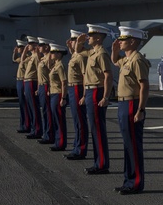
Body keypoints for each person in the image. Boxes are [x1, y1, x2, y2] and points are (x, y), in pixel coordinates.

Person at [112, 27, 150, 194]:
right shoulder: (127, 59)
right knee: (127, 144)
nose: (120, 41)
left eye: (123, 39)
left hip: (132, 104)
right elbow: (115, 61)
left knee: (133, 145)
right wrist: (114, 50)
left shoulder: (137, 60)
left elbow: (144, 86)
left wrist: (141, 109)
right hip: (122, 104)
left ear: (133, 41)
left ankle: (135, 182)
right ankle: (128, 179)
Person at [81, 24, 114, 174]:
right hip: (89, 91)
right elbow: (77, 52)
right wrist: (79, 42)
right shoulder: (93, 53)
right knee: (94, 128)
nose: (88, 37)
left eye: (91, 35)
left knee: (98, 129)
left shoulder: (101, 54)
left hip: (96, 91)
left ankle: (101, 164)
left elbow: (108, 76)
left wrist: (106, 96)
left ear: (99, 38)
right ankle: (98, 161)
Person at [65, 30, 90, 161]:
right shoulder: (76, 54)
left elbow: (85, 76)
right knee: (76, 120)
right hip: (72, 87)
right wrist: (71, 47)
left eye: (74, 40)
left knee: (80, 120)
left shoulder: (80, 56)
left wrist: (84, 95)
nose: (71, 42)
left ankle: (80, 149)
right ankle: (76, 146)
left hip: (77, 87)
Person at [47, 44, 69, 152]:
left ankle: (61, 143)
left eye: (53, 52)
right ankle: (57, 141)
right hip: (53, 93)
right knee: (55, 119)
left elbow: (64, 82)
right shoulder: (55, 65)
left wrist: (63, 98)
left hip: (58, 94)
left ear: (59, 54)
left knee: (59, 120)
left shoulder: (60, 66)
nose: (51, 54)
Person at [22, 37, 41, 138]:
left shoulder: (36, 57)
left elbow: (39, 72)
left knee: (34, 107)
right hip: (27, 82)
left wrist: (38, 87)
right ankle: (34, 129)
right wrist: (25, 51)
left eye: (29, 44)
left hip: (32, 82)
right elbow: (22, 62)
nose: (27, 46)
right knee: (30, 107)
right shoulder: (31, 57)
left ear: (34, 45)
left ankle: (37, 130)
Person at [36, 38, 53, 143]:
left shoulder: (49, 59)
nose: (39, 47)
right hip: (42, 86)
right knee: (44, 111)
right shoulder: (43, 59)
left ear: (46, 47)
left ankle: (49, 135)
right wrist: (38, 88)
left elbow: (51, 75)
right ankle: (46, 134)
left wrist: (50, 88)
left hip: (47, 86)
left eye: (41, 45)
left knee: (48, 112)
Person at [12, 40, 29, 132]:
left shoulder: (27, 59)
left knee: (24, 104)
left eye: (19, 47)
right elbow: (14, 59)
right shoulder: (21, 58)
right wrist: (14, 53)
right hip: (19, 81)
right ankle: (23, 124)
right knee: (21, 104)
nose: (17, 49)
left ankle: (26, 125)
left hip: (23, 80)